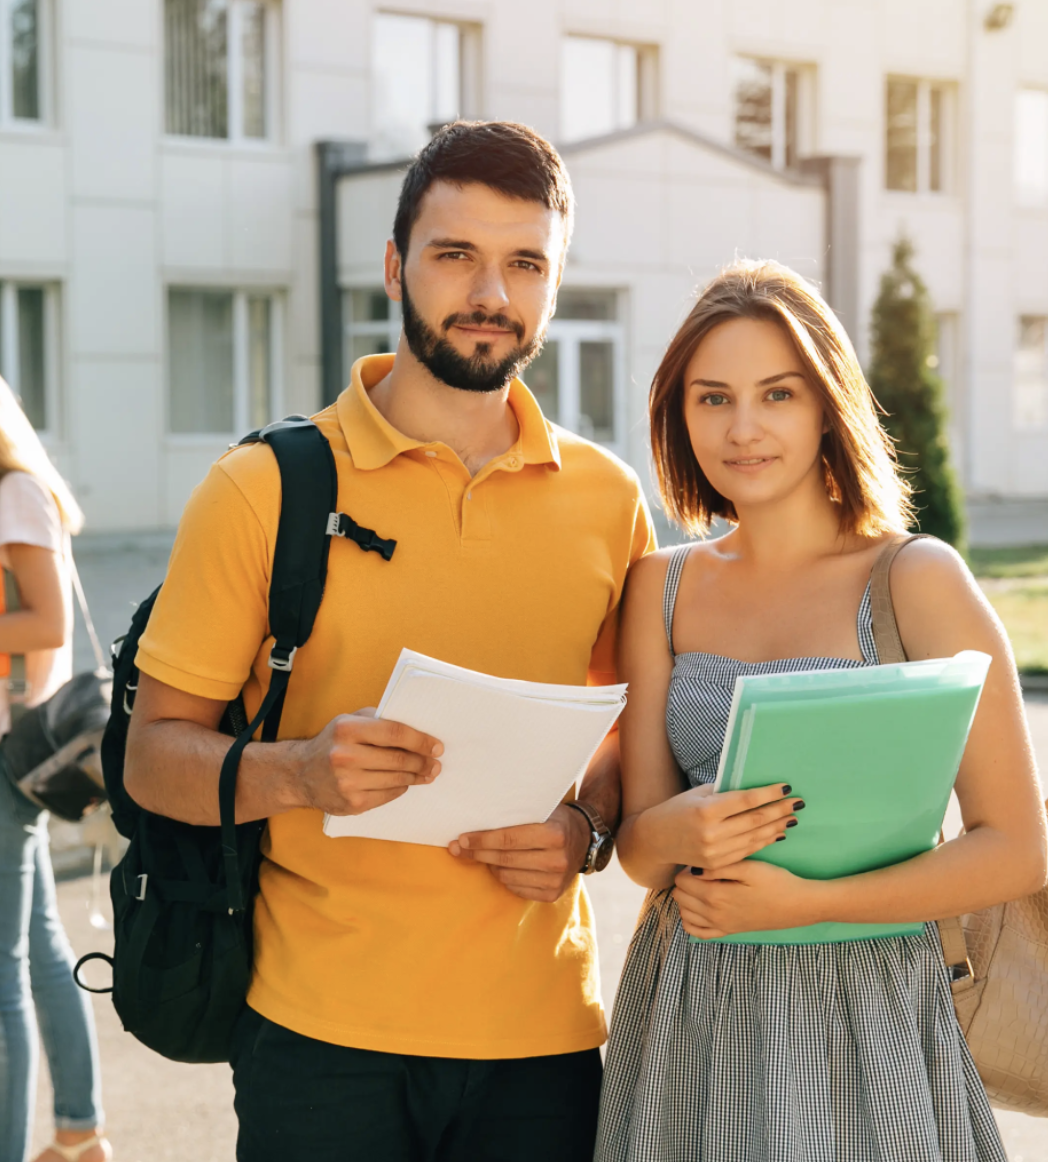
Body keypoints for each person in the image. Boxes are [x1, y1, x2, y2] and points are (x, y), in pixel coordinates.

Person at [123, 120, 654, 1162]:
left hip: (541, 1041)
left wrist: (583, 833)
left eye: (524, 263)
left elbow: (624, 749)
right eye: (455, 254)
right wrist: (304, 773)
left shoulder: (609, 500)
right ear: (394, 267)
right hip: (318, 1037)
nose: (489, 293)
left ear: (554, 283)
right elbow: (153, 759)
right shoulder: (262, 488)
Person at [596, 260, 1048, 1162]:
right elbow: (640, 851)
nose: (744, 428)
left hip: (868, 1003)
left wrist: (806, 904)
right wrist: (679, 828)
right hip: (693, 995)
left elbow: (1016, 849)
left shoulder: (917, 579)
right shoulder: (659, 587)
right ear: (679, 417)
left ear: (827, 403)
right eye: (712, 399)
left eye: (778, 394)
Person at [0, 377, 110, 1162]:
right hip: (15, 749)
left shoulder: (15, 493)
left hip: (8, 748)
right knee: (35, 946)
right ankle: (78, 1132)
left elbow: (44, 618)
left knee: (2, 973)